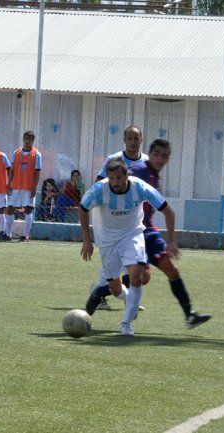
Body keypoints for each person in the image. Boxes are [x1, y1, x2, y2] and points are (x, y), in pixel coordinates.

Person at [86, 140, 212, 328]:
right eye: (157, 154)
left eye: (165, 155)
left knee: (167, 270)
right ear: (150, 154)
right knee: (141, 276)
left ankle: (190, 315)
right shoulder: (138, 173)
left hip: (149, 232)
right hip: (131, 233)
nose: (160, 159)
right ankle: (103, 291)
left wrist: (170, 241)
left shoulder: (154, 175)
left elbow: (164, 209)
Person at [79, 158, 177, 336]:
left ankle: (126, 324)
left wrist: (170, 241)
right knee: (116, 289)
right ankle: (117, 296)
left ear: (127, 175)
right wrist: (87, 240)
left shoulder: (140, 187)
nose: (114, 183)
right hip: (108, 240)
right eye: (111, 179)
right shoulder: (100, 190)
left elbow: (168, 211)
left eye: (118, 178)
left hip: (132, 234)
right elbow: (83, 208)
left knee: (137, 276)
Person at [92, 125, 149, 309]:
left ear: (141, 140)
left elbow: (150, 190)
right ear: (124, 140)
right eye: (129, 138)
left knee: (127, 261)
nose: (133, 142)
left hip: (134, 218)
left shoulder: (147, 162)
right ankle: (103, 293)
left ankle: (111, 294)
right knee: (117, 259)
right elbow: (99, 185)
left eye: (136, 138)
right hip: (111, 220)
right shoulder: (114, 159)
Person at [5, 131, 42, 241]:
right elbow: (12, 170)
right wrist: (8, 183)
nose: (27, 141)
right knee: (10, 209)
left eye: (30, 139)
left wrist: (34, 188)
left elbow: (37, 173)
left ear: (33, 141)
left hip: (28, 188)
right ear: (23, 139)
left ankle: (25, 235)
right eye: (26, 138)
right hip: (15, 186)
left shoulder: (37, 154)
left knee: (28, 210)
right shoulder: (16, 153)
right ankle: (8, 235)